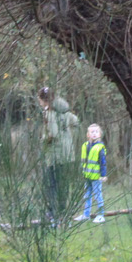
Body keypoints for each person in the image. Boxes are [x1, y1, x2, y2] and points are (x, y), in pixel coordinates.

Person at [37, 87, 79, 223]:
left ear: (43, 100)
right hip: (68, 154)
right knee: (63, 185)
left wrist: (43, 139)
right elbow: (76, 121)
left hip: (56, 156)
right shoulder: (64, 111)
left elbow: (52, 134)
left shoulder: (49, 113)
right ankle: (63, 213)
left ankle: (53, 215)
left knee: (51, 185)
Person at [75, 124, 108, 223]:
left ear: (100, 134)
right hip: (87, 176)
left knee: (98, 195)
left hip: (96, 177)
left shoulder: (100, 148)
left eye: (96, 132)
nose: (94, 134)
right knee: (87, 196)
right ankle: (86, 214)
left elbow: (103, 163)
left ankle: (101, 215)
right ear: (88, 134)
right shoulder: (85, 146)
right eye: (92, 132)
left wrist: (103, 175)